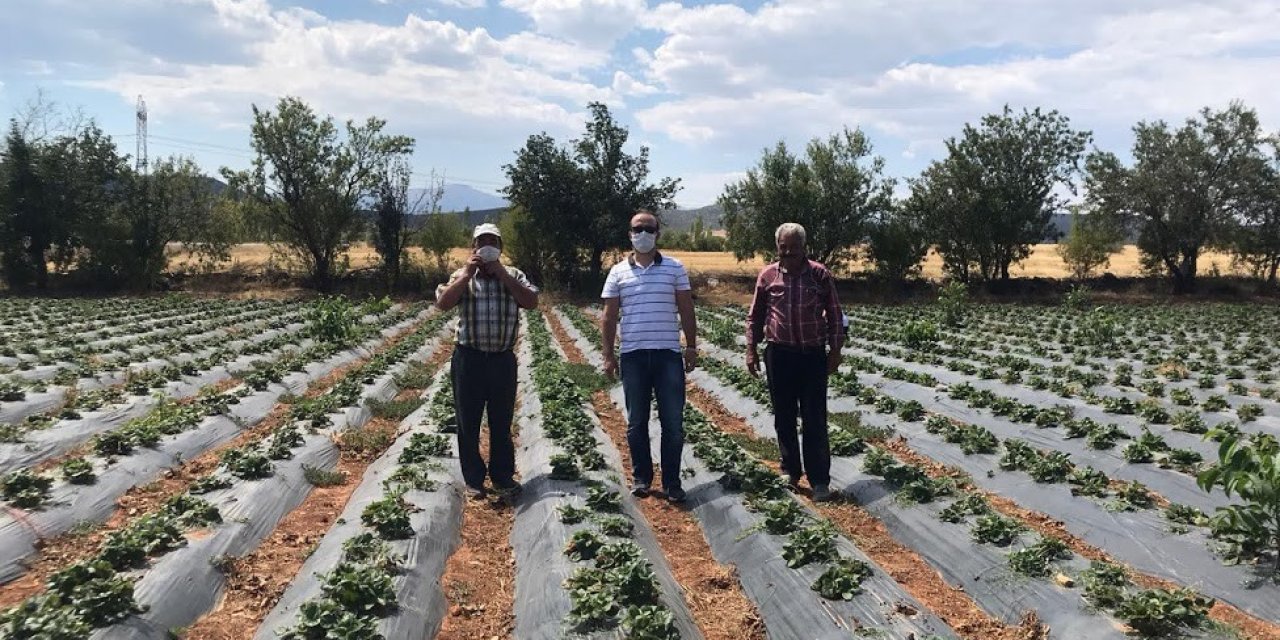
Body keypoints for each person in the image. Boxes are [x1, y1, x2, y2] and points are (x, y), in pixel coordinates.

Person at [435, 223, 539, 499]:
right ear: (474, 247)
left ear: (501, 247)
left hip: (502, 360)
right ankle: (473, 479)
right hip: (468, 359)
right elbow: (443, 303)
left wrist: (504, 275)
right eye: (482, 241)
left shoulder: (515, 275)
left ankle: (502, 476)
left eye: (493, 241)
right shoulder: (461, 275)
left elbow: (530, 301)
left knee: (501, 421)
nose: (487, 245)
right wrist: (467, 274)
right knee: (468, 422)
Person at [601, 209, 698, 503]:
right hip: (633, 356)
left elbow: (686, 308)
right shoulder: (617, 271)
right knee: (636, 421)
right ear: (630, 234)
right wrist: (608, 354)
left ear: (658, 233)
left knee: (672, 422)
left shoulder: (674, 268)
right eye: (637, 229)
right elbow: (608, 316)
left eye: (648, 228)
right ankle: (642, 478)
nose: (642, 233)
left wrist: (691, 346)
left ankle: (672, 482)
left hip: (668, 354)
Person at [745, 222, 844, 502]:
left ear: (804, 248)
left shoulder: (819, 275)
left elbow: (835, 314)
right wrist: (751, 349)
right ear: (777, 247)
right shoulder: (767, 276)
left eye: (794, 248)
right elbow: (755, 316)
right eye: (783, 247)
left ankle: (820, 480)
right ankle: (790, 471)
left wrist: (835, 351)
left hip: (812, 354)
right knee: (784, 416)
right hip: (780, 354)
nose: (788, 253)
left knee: (815, 417)